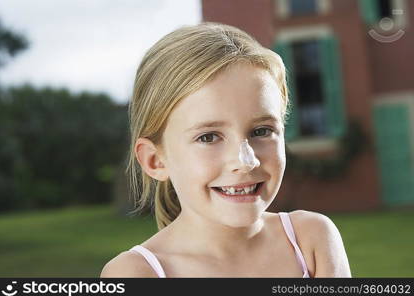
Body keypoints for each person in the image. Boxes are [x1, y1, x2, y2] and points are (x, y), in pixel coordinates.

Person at [100, 22, 351, 278]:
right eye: (208, 137)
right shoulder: (137, 273)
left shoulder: (311, 240)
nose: (246, 161)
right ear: (155, 161)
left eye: (261, 131)